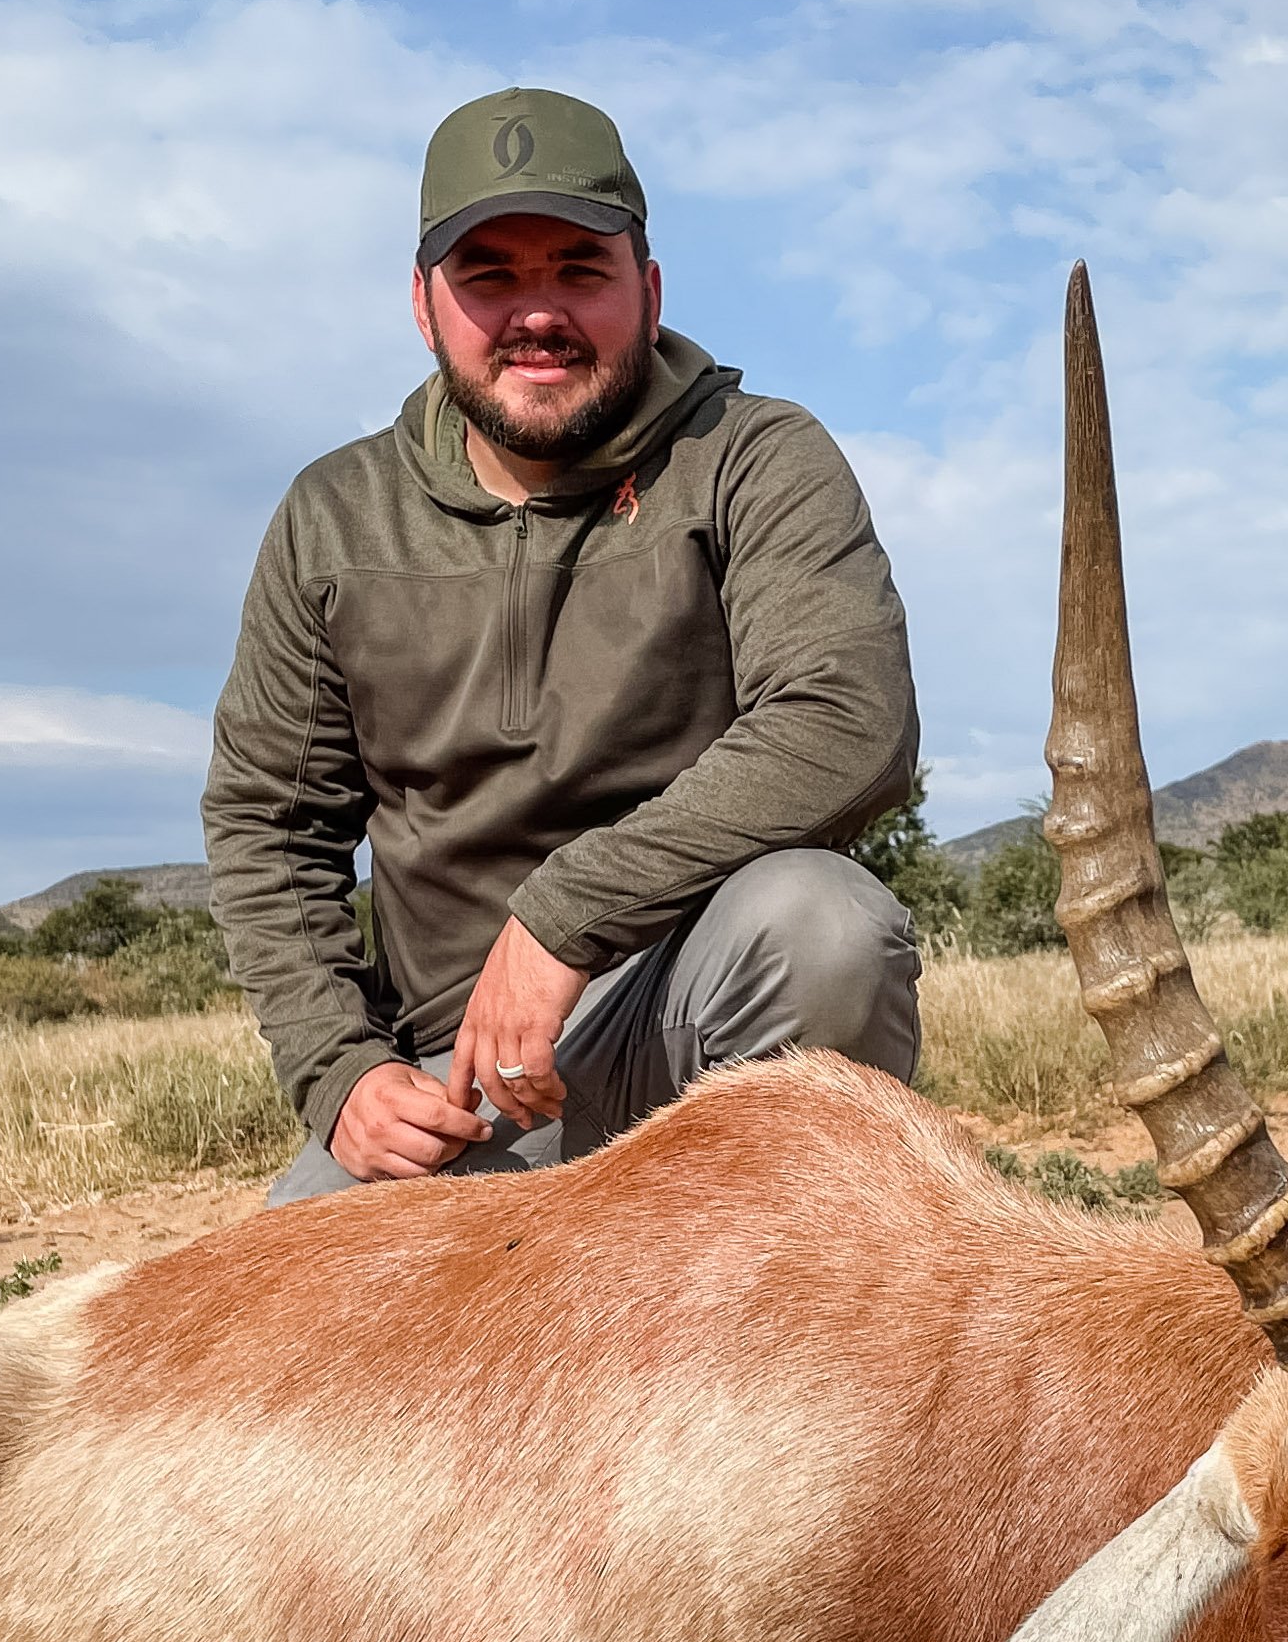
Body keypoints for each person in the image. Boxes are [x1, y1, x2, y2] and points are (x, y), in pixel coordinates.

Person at [204, 88, 924, 1202]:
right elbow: (269, 823)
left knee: (823, 928)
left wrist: (563, 915)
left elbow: (847, 722)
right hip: (461, 1088)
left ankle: (764, 1325)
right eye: (490, 276)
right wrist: (338, 1070)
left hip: (690, 1021)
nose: (537, 312)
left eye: (578, 270)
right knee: (256, 1357)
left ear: (648, 288)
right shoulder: (331, 518)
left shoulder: (756, 457)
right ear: (422, 303)